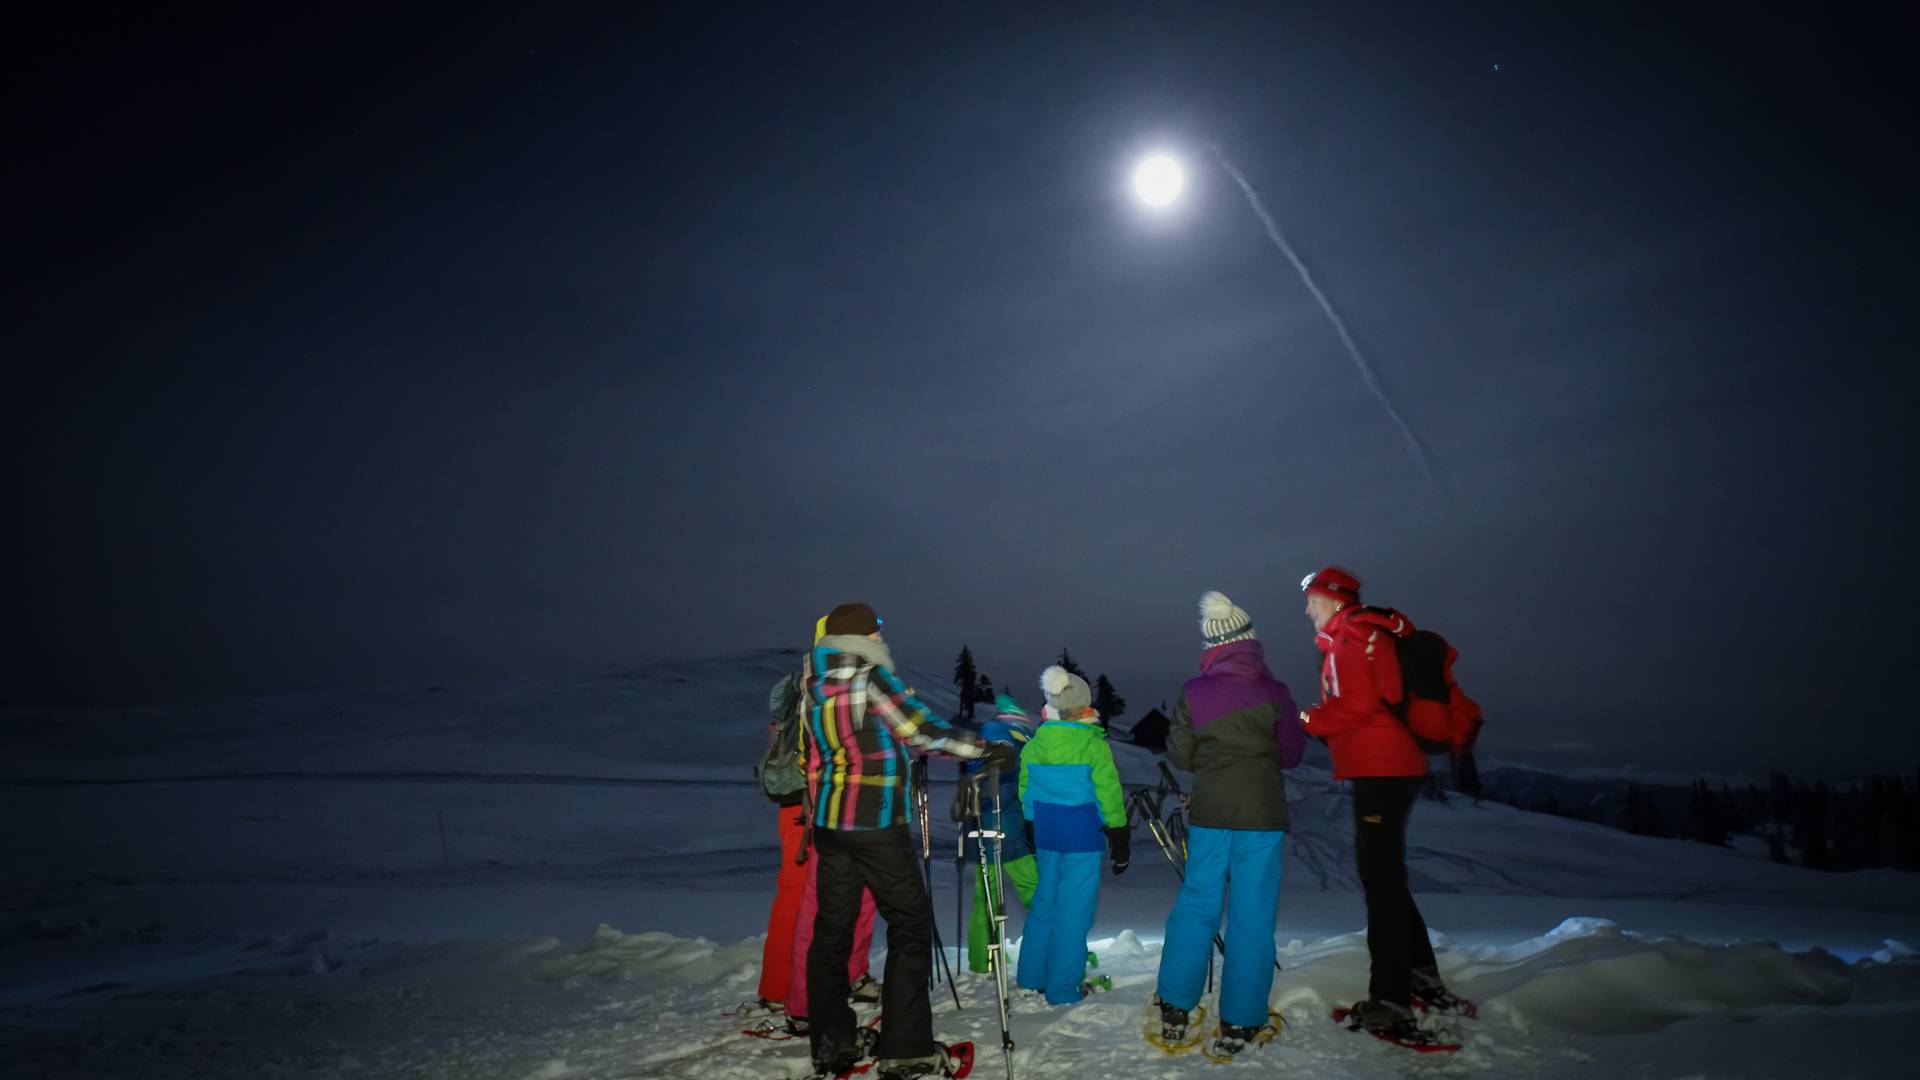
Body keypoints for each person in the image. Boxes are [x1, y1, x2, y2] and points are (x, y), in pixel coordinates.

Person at [803, 602, 1015, 1079]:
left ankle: (832, 1043)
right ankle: (905, 1048)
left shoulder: (812, 683)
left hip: (831, 822)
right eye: (878, 629)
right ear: (864, 636)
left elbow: (847, 744)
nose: (883, 636)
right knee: (911, 924)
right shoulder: (870, 677)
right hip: (873, 821)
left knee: (831, 931)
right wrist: (987, 748)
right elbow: (922, 732)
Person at [1298, 566, 1465, 1041]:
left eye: (1313, 600)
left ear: (1333, 600)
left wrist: (1311, 717)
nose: (1308, 609)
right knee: (1386, 877)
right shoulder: (1360, 636)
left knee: (1381, 885)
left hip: (1382, 767)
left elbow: (1363, 703)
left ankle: (1390, 1002)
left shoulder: (1353, 636)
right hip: (1390, 765)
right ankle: (1421, 981)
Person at [1151, 591, 1304, 1059]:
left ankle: (1176, 1006)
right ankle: (1241, 1019)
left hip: (1211, 809)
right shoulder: (1275, 692)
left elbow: (1179, 753)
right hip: (1262, 812)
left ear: (1213, 644)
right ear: (1250, 641)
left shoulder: (1194, 690)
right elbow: (1293, 753)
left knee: (1198, 901)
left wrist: (1213, 762)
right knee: (1252, 912)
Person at [1015, 665, 1128, 1006]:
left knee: (1045, 904)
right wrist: (1119, 832)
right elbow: (1108, 792)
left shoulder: (1034, 745)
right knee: (1074, 909)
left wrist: (1031, 825)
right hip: (1081, 835)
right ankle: (1064, 988)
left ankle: (1031, 978)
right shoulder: (1092, 745)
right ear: (1084, 706)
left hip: (1048, 835)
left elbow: (1026, 791)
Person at [955, 693, 1038, 974]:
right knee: (1035, 891)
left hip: (979, 827)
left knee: (984, 897)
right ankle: (1051, 950)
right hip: (1008, 828)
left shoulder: (980, 741)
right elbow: (1009, 788)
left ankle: (982, 960)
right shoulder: (1012, 743)